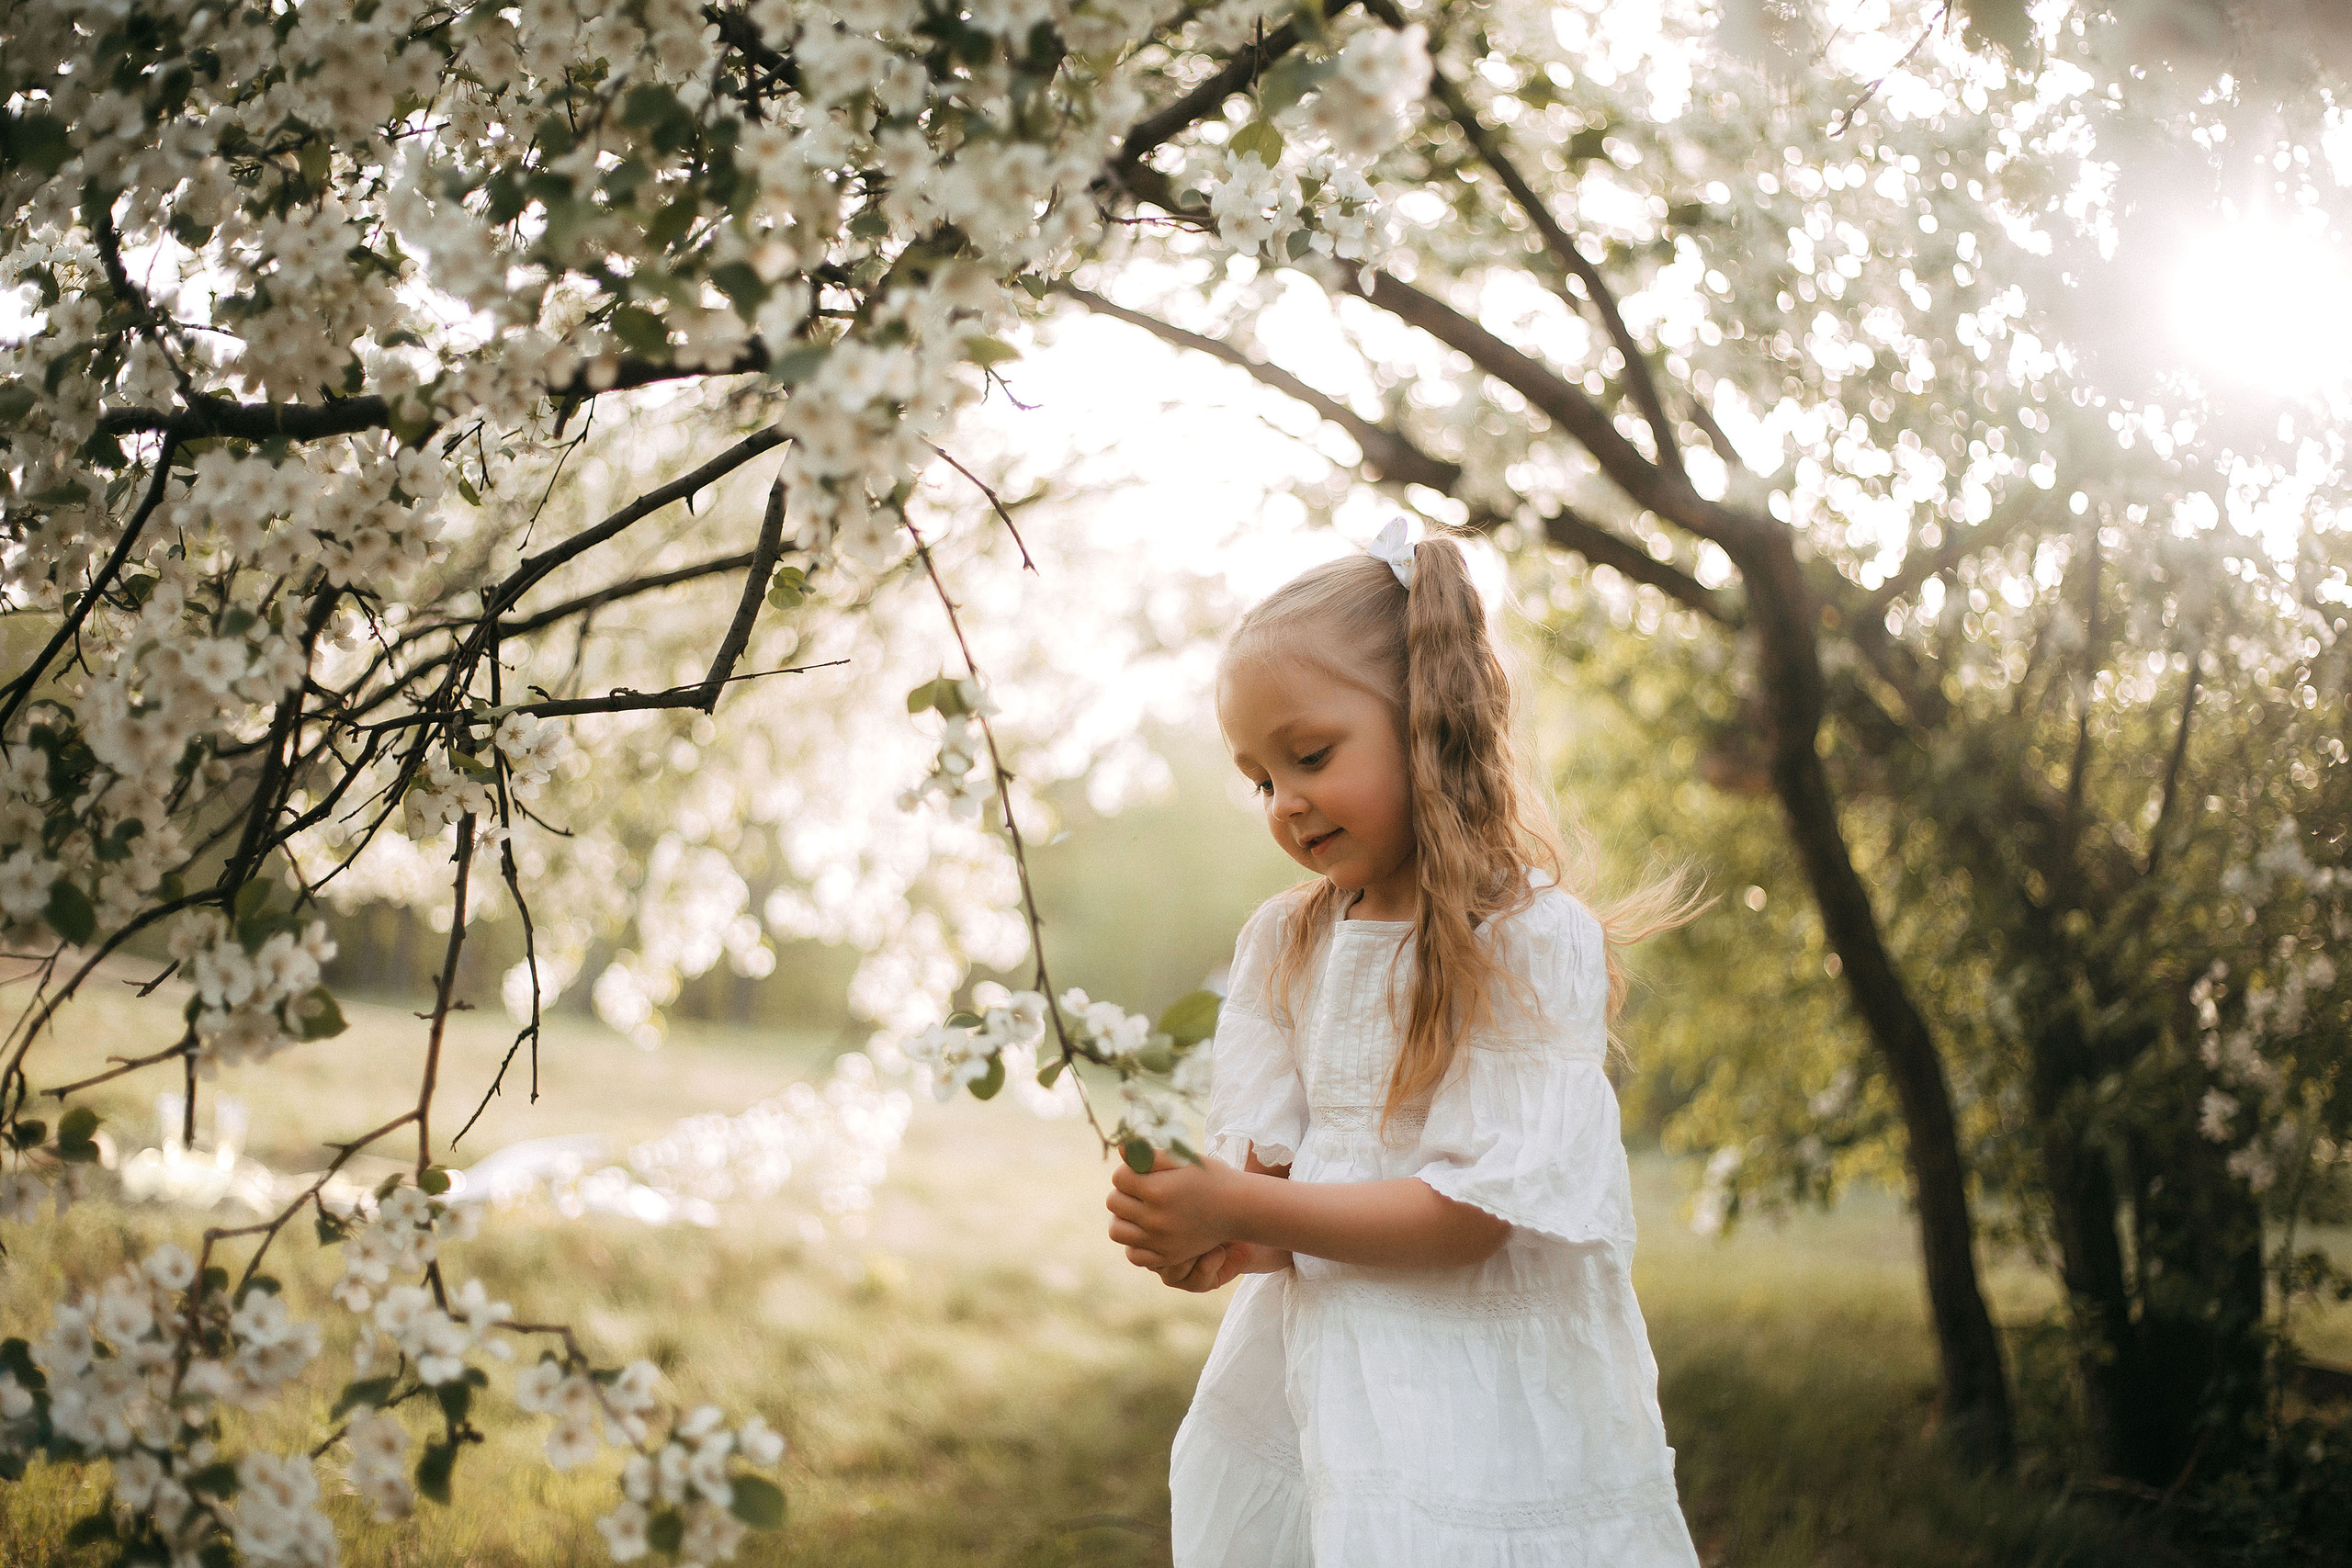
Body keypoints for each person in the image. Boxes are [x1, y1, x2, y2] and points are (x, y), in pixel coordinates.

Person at [1104, 525, 1707, 1567]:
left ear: (1426, 726)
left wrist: (1242, 1204)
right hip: (1332, 1386)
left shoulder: (1521, 939)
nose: (1285, 801)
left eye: (1310, 756)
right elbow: (1293, 1197)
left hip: (1481, 1407)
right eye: (1258, 779)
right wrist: (1221, 1239)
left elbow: (1473, 1217)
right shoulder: (1284, 946)